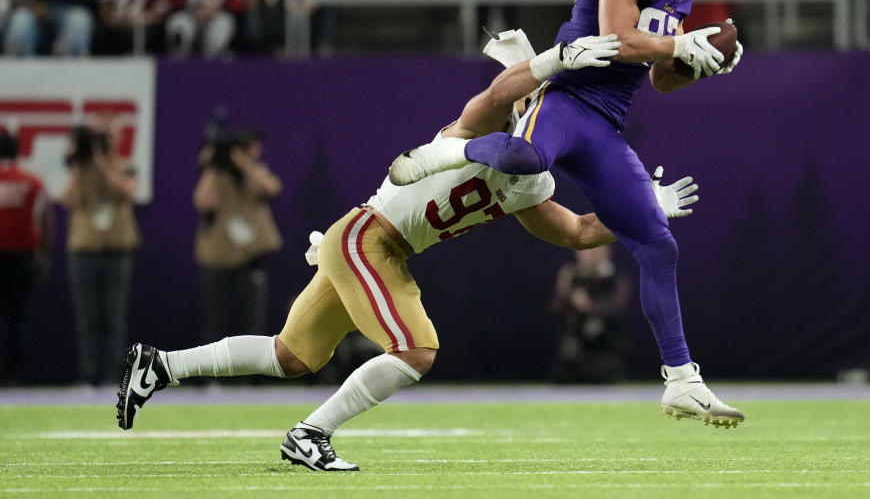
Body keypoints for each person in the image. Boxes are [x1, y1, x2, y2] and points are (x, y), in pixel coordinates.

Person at [118, 33, 695, 471]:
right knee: (417, 350)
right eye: (535, 106)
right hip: (368, 239)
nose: (535, 119)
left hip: (374, 248)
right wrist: (548, 62)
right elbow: (497, 92)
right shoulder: (472, 131)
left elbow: (575, 232)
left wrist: (646, 208)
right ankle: (310, 435)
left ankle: (160, 365)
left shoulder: (531, 182)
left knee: (291, 355)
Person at [388, 0, 746, 427]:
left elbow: (661, 81)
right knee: (525, 159)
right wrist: (680, 47)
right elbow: (616, 38)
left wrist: (703, 61)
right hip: (564, 97)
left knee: (656, 242)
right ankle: (444, 151)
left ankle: (682, 381)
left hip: (604, 123)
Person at [63, 116, 141, 386]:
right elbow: (69, 199)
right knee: (88, 320)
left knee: (113, 318)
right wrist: (80, 162)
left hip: (116, 251)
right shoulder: (82, 169)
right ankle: (88, 374)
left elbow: (127, 190)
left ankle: (110, 376)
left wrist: (102, 165)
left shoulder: (124, 166)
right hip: (84, 251)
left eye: (110, 137)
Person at [194, 124, 282, 344]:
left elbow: (273, 188)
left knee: (251, 319)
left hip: (252, 257)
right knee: (216, 318)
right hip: (219, 257)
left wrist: (243, 164)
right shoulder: (216, 176)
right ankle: (214, 374)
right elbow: (202, 202)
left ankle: (250, 375)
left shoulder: (254, 172)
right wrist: (211, 166)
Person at [0, 131, 52, 383]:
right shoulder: (31, 182)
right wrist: (42, 253)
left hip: (13, 256)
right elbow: (46, 219)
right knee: (17, 317)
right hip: (22, 257)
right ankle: (13, 376)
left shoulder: (31, 182)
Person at [550, 245, 631, 383]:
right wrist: (565, 290)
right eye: (586, 251)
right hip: (573, 355)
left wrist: (590, 307)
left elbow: (617, 309)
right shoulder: (572, 277)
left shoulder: (615, 278)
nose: (591, 255)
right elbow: (556, 312)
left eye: (596, 250)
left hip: (604, 351)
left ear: (607, 252)